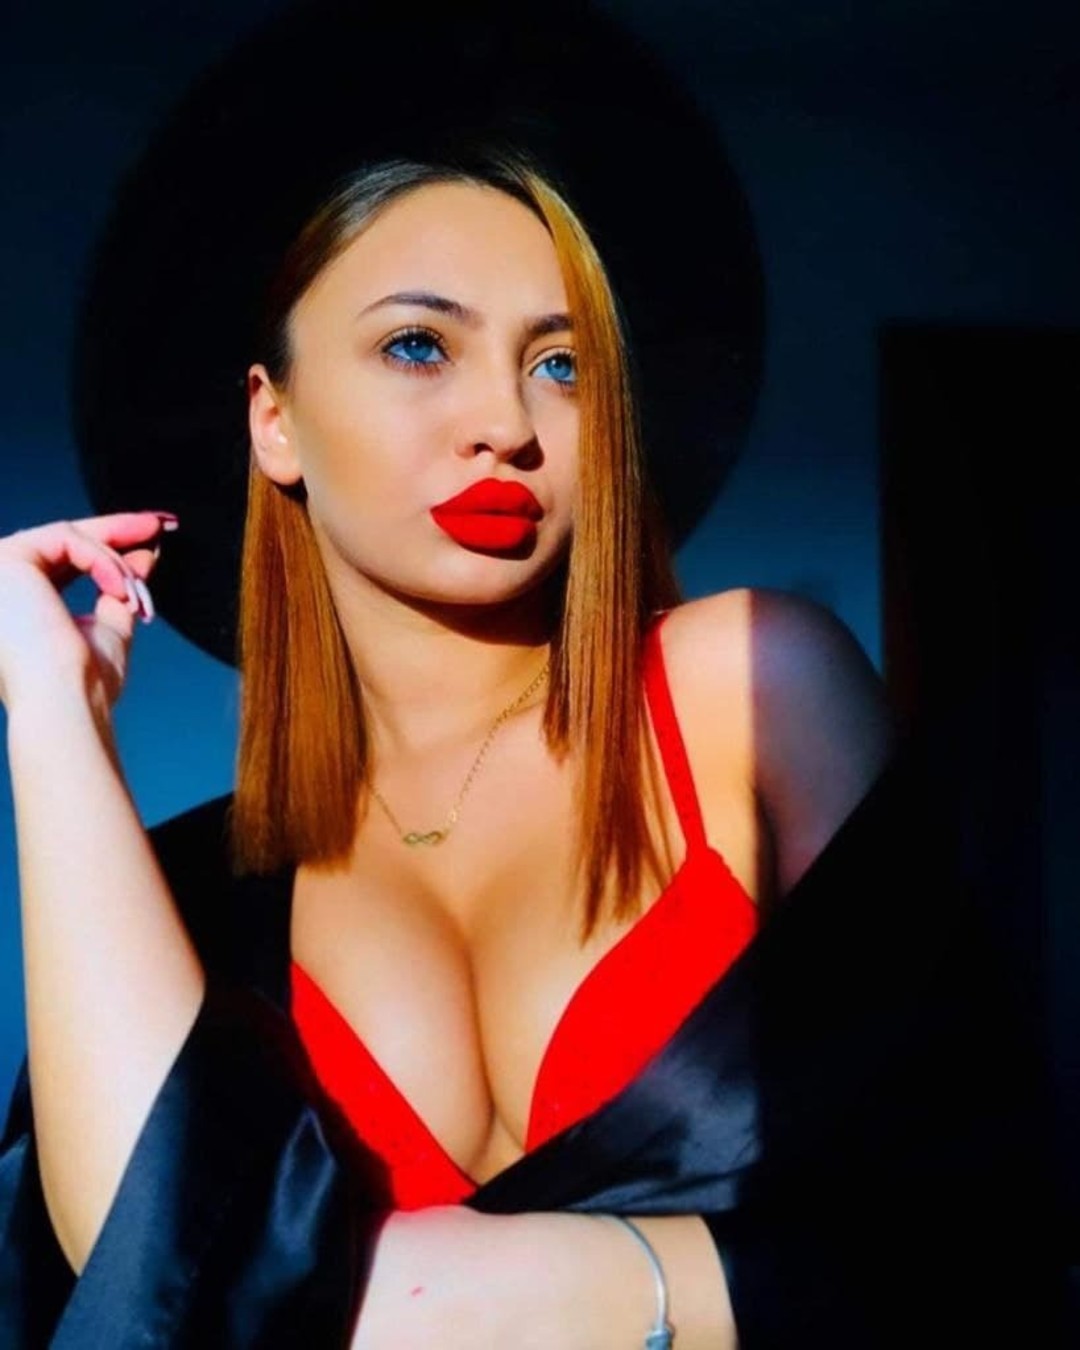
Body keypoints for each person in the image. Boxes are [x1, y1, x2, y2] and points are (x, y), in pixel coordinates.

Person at [0, 151, 1060, 1348]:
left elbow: (985, 1228)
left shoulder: (751, 686)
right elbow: (143, 1278)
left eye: (561, 366)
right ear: (274, 421)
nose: (506, 426)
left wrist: (552, 1280)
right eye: (418, 346)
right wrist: (54, 710)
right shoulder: (191, 889)